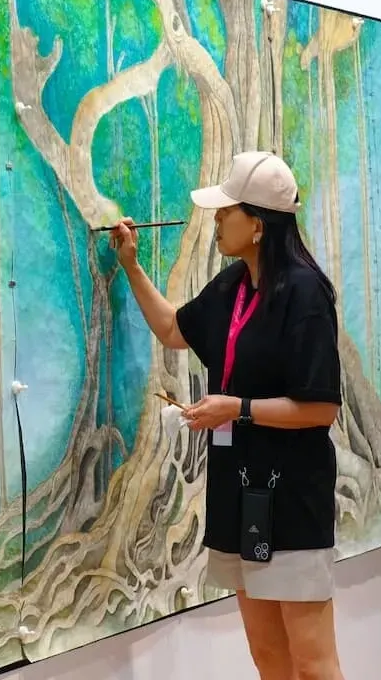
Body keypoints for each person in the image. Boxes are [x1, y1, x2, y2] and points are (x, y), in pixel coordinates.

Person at [109, 151, 345, 680]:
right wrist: (131, 265)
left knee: (313, 664)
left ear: (258, 224)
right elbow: (173, 329)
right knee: (269, 658)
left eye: (226, 210)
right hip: (240, 496)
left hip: (293, 501)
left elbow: (321, 408)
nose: (216, 219)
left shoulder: (305, 294)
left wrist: (236, 409)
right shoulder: (231, 286)